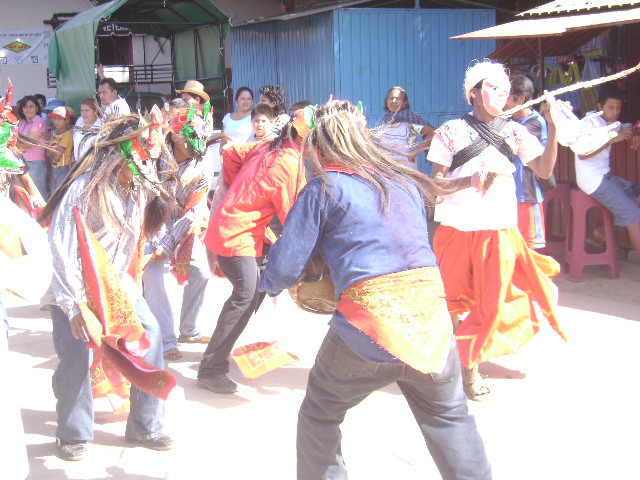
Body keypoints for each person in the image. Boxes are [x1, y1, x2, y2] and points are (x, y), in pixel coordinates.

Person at [258, 101, 492, 480]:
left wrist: (262, 284)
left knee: (320, 414)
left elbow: (284, 269)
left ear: (317, 148)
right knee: (450, 418)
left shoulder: (324, 186)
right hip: (433, 322)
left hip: (369, 328)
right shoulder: (404, 180)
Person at [427, 60, 567, 401]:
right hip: (457, 231)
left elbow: (545, 170)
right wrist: (469, 180)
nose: (502, 91)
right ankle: (458, 357)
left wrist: (554, 130)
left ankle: (468, 367)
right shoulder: (450, 131)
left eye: (505, 87)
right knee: (450, 303)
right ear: (474, 93)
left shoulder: (516, 131)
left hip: (500, 232)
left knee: (492, 305)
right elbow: (434, 185)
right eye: (492, 86)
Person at [39, 114, 175, 461]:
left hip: (117, 285)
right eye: (145, 152)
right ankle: (72, 432)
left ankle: (146, 426)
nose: (151, 160)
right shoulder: (83, 188)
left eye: (154, 154)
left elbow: (147, 233)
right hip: (76, 288)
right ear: (121, 154)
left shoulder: (141, 186)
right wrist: (74, 306)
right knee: (75, 355)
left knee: (151, 335)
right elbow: (60, 246)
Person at [197, 116, 306, 394]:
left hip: (233, 226)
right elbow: (295, 216)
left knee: (256, 287)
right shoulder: (290, 163)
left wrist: (237, 188)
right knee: (246, 296)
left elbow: (231, 152)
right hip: (237, 234)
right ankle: (210, 368)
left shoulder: (267, 146)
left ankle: (224, 350)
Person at [143, 99, 215, 361]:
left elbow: (193, 210)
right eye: (190, 137)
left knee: (201, 272)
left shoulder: (203, 165)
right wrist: (159, 245)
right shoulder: (152, 155)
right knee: (152, 280)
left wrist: (168, 244)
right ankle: (165, 339)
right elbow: (146, 201)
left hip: (181, 222)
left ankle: (190, 328)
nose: (198, 144)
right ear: (174, 133)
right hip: (148, 220)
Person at [574, 88, 640, 257]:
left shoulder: (612, 124)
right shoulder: (590, 123)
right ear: (599, 106)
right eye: (610, 108)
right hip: (593, 181)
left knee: (637, 198)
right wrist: (612, 139)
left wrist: (635, 133)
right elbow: (582, 153)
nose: (615, 112)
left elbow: (629, 128)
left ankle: (601, 233)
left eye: (618, 108)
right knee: (634, 215)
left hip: (605, 177)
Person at [504, 74, 550, 249]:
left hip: (526, 193)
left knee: (528, 250)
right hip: (508, 194)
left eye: (506, 95)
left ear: (521, 99)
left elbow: (512, 139)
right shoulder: (507, 120)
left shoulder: (535, 123)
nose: (502, 101)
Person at [379, 86, 435, 169]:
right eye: (391, 98)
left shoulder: (410, 122)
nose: (393, 101)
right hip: (386, 170)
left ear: (404, 103)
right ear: (386, 101)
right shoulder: (385, 120)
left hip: (405, 172)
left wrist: (415, 152)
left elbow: (432, 133)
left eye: (397, 99)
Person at [17, 95, 48, 199]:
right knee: (27, 197)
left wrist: (15, 144)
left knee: (38, 196)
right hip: (23, 163)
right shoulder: (22, 123)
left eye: (31, 106)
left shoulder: (38, 121)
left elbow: (28, 142)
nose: (28, 109)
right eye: (25, 106)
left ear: (37, 108)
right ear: (21, 109)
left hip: (35, 164)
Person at [46, 106, 74, 193]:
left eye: (59, 119)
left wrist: (53, 147)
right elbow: (48, 154)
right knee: (53, 192)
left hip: (63, 168)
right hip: (54, 167)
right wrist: (55, 147)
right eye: (54, 119)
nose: (56, 121)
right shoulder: (54, 133)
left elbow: (58, 155)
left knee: (60, 193)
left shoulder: (67, 134)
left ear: (67, 120)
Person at [219, 86, 254, 151]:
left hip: (248, 155)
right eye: (242, 98)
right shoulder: (228, 117)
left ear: (252, 101)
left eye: (249, 99)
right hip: (228, 156)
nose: (246, 101)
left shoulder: (255, 117)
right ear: (237, 101)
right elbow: (223, 140)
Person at [73, 98, 103, 163]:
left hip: (92, 167)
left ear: (95, 111)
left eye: (87, 110)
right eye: (82, 110)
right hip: (77, 165)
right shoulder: (80, 121)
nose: (84, 114)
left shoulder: (101, 126)